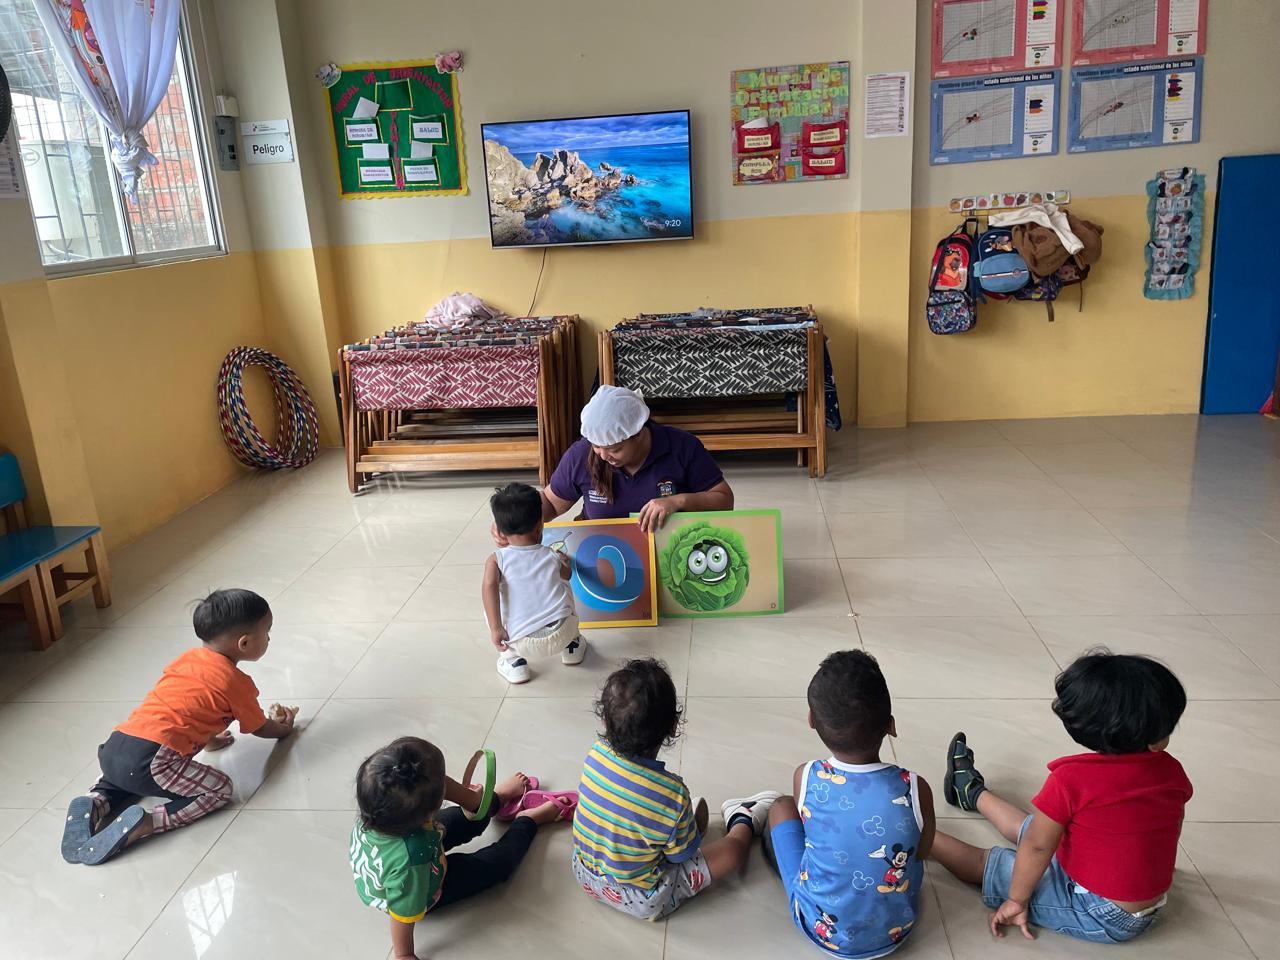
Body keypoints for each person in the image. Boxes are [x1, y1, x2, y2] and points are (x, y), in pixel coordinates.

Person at [930, 650, 1193, 944]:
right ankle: (971, 792)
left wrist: (1017, 900)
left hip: (1100, 912)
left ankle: (918, 834)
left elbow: (1038, 847)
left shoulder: (1072, 779)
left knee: (989, 861)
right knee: (1039, 827)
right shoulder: (1171, 770)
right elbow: (1171, 826)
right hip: (1143, 900)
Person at [59, 589, 296, 865]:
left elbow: (187, 708)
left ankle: (96, 801)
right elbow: (259, 726)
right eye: (267, 632)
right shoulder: (236, 683)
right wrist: (284, 729)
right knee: (219, 789)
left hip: (117, 747)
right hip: (151, 760)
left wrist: (211, 740)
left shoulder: (187, 661)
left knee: (123, 781)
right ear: (244, 643)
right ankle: (147, 823)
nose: (269, 638)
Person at [571, 657, 779, 920]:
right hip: (643, 899)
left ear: (604, 720)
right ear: (672, 726)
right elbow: (681, 858)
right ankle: (743, 818)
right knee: (731, 853)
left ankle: (672, 828)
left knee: (650, 821)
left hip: (584, 874)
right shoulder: (672, 794)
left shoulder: (595, 754)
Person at [763, 650, 935, 957]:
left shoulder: (807, 776)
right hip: (897, 929)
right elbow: (922, 853)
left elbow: (811, 835)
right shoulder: (915, 787)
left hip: (820, 930)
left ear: (812, 721)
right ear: (891, 725)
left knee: (780, 808)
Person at [350, 737, 575, 960]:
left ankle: (499, 798)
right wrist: (404, 954)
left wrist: (478, 801)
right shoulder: (411, 865)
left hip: (417, 843)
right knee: (499, 864)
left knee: (472, 816)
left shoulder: (381, 804)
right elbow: (401, 915)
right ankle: (528, 820)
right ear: (429, 813)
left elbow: (440, 784)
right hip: (422, 885)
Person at [491, 385, 733, 544]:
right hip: (600, 549)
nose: (604, 455)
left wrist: (678, 502)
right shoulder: (582, 454)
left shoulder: (682, 447)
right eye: (597, 447)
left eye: (615, 449)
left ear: (639, 433)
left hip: (669, 549)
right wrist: (512, 521)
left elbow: (723, 500)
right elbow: (552, 503)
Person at [482, 482, 586, 684]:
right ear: (540, 525)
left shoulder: (496, 560)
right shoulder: (552, 555)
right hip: (562, 633)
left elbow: (489, 587)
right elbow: (568, 574)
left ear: (500, 531)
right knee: (564, 582)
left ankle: (513, 662)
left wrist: (496, 629)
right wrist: (563, 563)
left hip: (520, 643)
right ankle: (573, 645)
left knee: (491, 596)